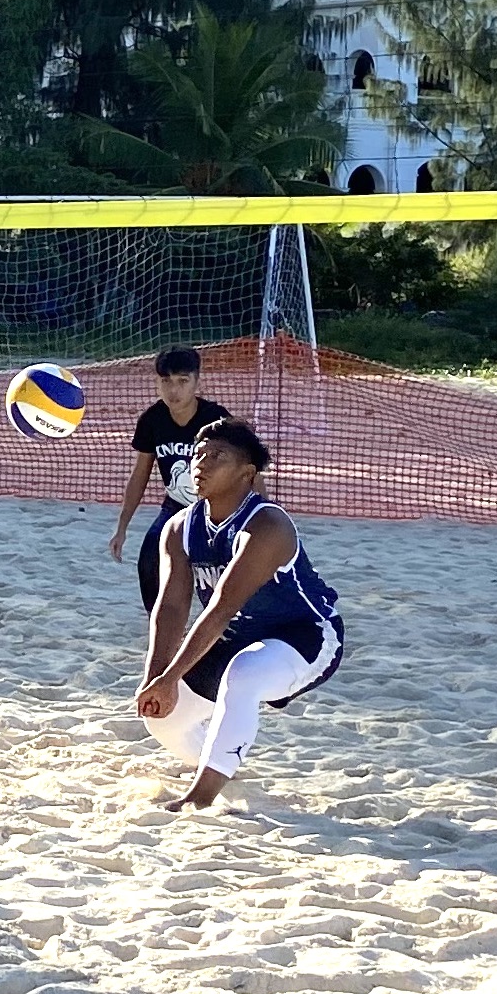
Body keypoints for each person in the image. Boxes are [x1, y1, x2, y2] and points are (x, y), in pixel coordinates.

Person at [136, 417, 344, 812]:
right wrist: (155, 677)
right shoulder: (179, 527)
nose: (201, 464)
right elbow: (171, 607)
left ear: (247, 473)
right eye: (198, 454)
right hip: (238, 637)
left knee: (244, 673)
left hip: (306, 637)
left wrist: (172, 677)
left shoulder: (267, 524)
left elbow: (221, 608)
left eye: (217, 456)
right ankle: (219, 765)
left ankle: (200, 798)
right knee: (162, 715)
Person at [107, 344, 231, 609]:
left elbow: (249, 470)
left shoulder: (217, 420)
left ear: (197, 382)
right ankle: (158, 625)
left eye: (182, 381)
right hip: (176, 506)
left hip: (219, 508)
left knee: (221, 573)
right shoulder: (152, 420)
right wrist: (122, 527)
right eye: (166, 381)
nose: (174, 390)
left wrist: (262, 514)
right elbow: (140, 475)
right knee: (149, 560)